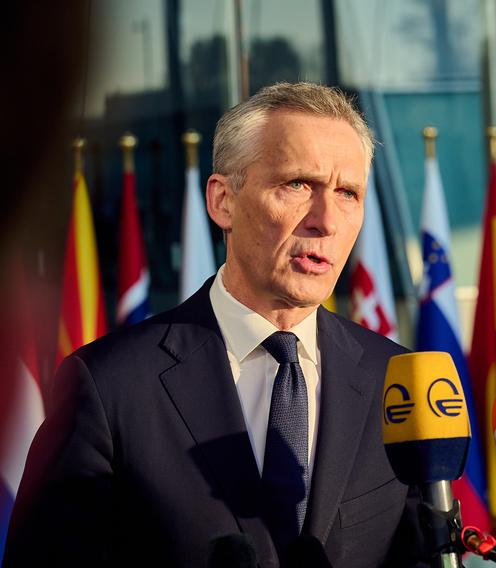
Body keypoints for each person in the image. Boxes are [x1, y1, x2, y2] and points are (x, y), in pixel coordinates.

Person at [4, 82, 423, 568]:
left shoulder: (396, 379)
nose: (326, 220)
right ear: (223, 200)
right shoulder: (108, 386)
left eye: (347, 193)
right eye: (297, 185)